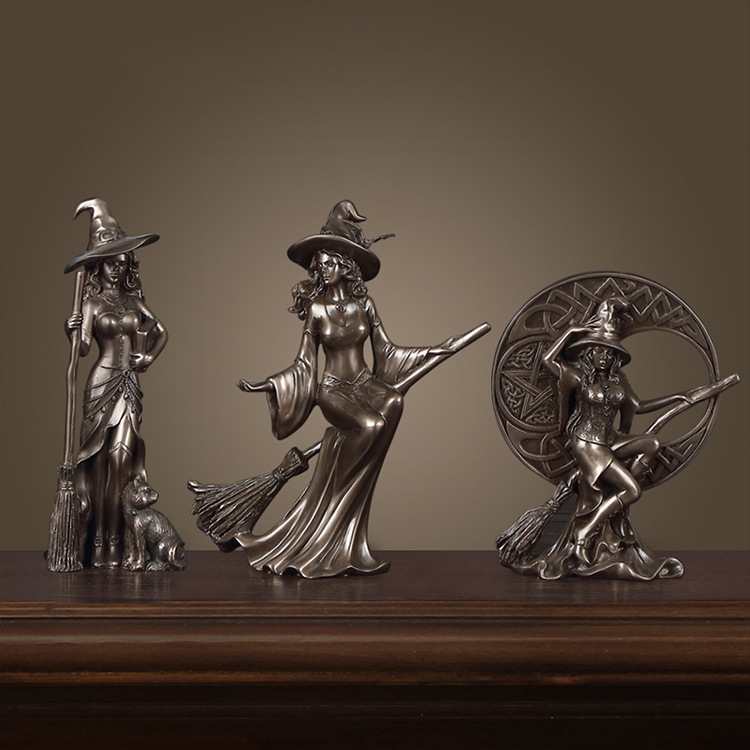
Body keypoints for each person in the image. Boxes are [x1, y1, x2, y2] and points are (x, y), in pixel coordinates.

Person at [234, 202, 457, 577]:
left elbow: (387, 351)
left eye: (328, 263)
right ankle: (337, 487)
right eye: (318, 265)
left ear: (344, 265)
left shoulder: (364, 304)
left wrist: (433, 350)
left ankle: (354, 486)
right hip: (334, 389)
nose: (322, 269)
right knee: (371, 426)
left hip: (364, 382)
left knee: (395, 401)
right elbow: (304, 363)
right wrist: (268, 385)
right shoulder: (316, 310)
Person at [530, 296, 694, 579]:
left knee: (652, 443)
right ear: (589, 353)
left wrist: (679, 397)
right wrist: (571, 332)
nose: (604, 357)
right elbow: (548, 360)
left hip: (609, 439)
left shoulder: (619, 381)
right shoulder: (576, 375)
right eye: (599, 351)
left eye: (609, 352)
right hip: (586, 443)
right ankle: (585, 531)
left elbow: (638, 406)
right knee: (632, 491)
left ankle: (617, 492)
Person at [64, 199, 167, 568]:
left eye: (122, 263)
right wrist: (73, 330)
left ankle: (119, 541)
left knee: (121, 458)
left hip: (129, 385)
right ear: (99, 264)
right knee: (97, 462)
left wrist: (148, 358)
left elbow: (160, 331)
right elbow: (83, 349)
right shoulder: (91, 304)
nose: (116, 269)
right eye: (110, 262)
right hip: (101, 383)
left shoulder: (134, 300)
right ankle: (96, 544)